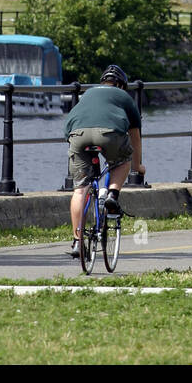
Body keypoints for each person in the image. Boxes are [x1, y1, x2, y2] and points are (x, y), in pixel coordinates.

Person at [64, 64, 145, 259]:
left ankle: (77, 241)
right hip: (110, 134)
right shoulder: (124, 97)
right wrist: (137, 166)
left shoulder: (88, 94)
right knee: (122, 160)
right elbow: (135, 135)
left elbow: (69, 126)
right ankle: (112, 196)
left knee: (80, 190)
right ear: (121, 85)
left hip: (77, 134)